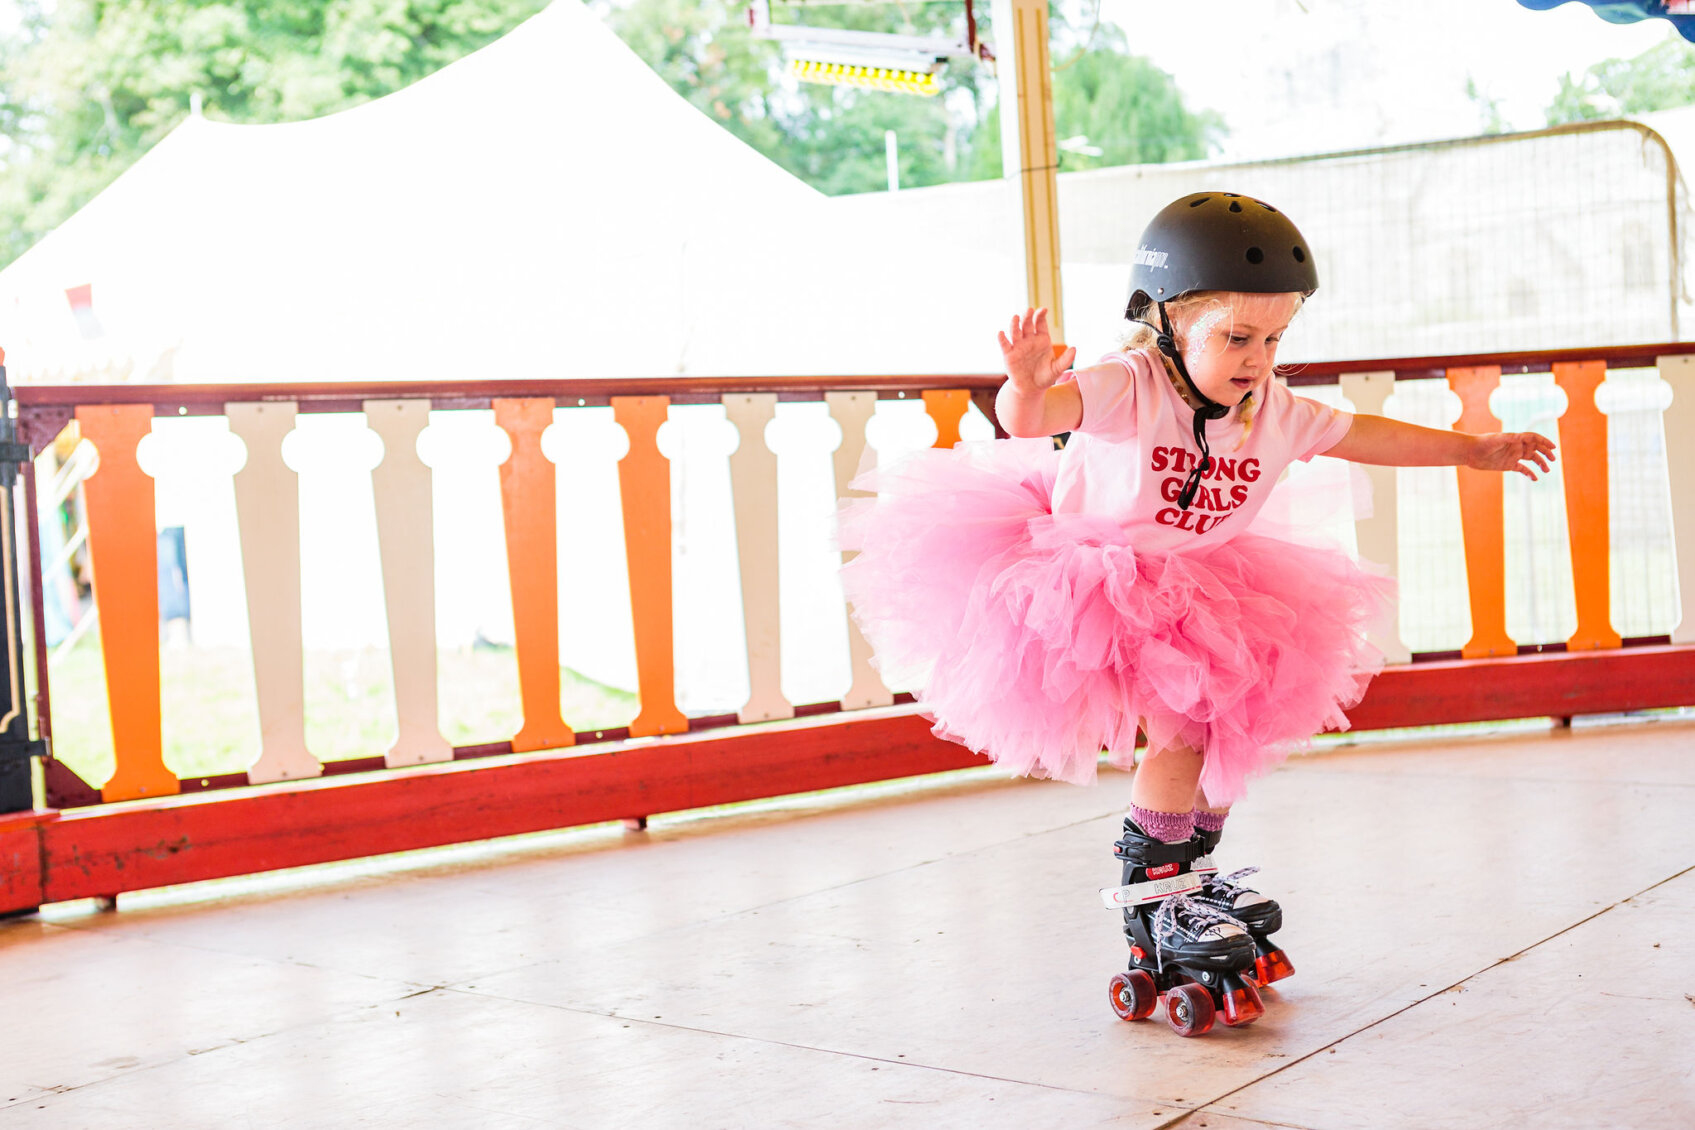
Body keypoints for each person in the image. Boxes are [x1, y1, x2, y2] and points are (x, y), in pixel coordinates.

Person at [839, 191, 1555, 1035]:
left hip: (1212, 587)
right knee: (1180, 731)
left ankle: (1191, 871)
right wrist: (1024, 387)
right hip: (1097, 581)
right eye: (1236, 339)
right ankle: (1156, 892)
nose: (1257, 358)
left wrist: (1471, 450)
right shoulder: (1130, 385)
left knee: (1229, 730)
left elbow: (1365, 433)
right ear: (1171, 324)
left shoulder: (1272, 410)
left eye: (1275, 338)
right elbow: (1039, 417)